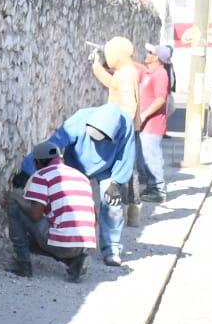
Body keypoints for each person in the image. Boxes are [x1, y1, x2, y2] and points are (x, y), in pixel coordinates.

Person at [21, 103, 136, 267]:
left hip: (108, 170)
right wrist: (28, 169)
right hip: (76, 164)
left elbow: (126, 156)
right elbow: (54, 143)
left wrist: (116, 182)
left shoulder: (126, 126)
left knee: (112, 204)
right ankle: (72, 240)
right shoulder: (80, 118)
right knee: (66, 201)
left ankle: (111, 248)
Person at [7, 142, 96, 281]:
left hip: (62, 243)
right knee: (46, 236)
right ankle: (74, 262)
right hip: (83, 244)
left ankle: (23, 265)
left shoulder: (42, 175)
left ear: (38, 162)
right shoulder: (81, 176)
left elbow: (35, 214)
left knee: (14, 208)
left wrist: (16, 198)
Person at [136, 44, 171, 202]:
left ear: (156, 57)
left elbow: (160, 99)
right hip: (146, 125)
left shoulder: (161, 74)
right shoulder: (150, 72)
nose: (146, 54)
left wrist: (143, 115)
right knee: (145, 158)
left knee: (152, 158)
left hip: (152, 125)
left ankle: (159, 192)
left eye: (149, 52)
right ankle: (152, 188)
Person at [91, 35, 140, 122]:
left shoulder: (125, 74)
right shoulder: (127, 70)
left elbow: (129, 108)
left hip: (122, 129)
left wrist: (114, 126)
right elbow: (114, 85)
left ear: (117, 55)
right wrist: (97, 67)